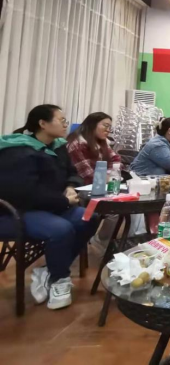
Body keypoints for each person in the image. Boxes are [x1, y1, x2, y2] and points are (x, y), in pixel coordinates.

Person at [0, 105, 100, 310]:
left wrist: (70, 187)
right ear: (43, 124)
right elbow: (23, 192)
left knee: (90, 215)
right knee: (61, 229)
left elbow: (73, 173)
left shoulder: (58, 147)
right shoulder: (18, 151)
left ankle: (49, 270)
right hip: (18, 212)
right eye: (61, 121)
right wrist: (64, 202)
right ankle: (60, 278)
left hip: (52, 206)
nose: (66, 125)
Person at [66, 112, 121, 185]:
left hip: (101, 183)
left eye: (109, 127)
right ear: (92, 125)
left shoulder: (102, 141)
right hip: (82, 186)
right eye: (106, 126)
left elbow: (115, 159)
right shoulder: (76, 144)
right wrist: (108, 178)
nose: (108, 130)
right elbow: (86, 174)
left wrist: (110, 174)